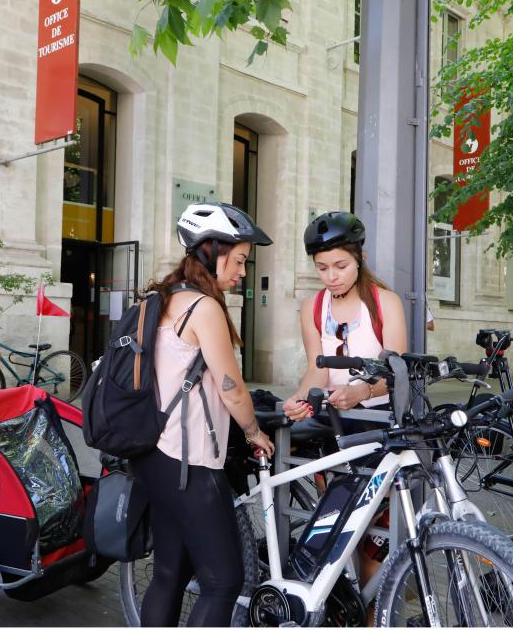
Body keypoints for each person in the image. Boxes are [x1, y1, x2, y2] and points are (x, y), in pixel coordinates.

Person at [132, 202, 275, 627]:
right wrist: (254, 432)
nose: (243, 272)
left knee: (169, 575)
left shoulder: (162, 298)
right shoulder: (204, 308)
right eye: (241, 260)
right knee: (223, 582)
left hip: (153, 454)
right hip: (189, 462)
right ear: (213, 250)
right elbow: (232, 390)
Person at [282, 210, 408, 589]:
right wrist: (298, 398)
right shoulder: (313, 307)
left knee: (373, 535)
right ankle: (339, 600)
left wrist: (362, 391)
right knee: (339, 523)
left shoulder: (385, 302)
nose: (331, 276)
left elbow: (396, 371)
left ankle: (372, 612)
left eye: (340, 266)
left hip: (378, 424)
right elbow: (316, 370)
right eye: (322, 268)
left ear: (360, 260)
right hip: (334, 427)